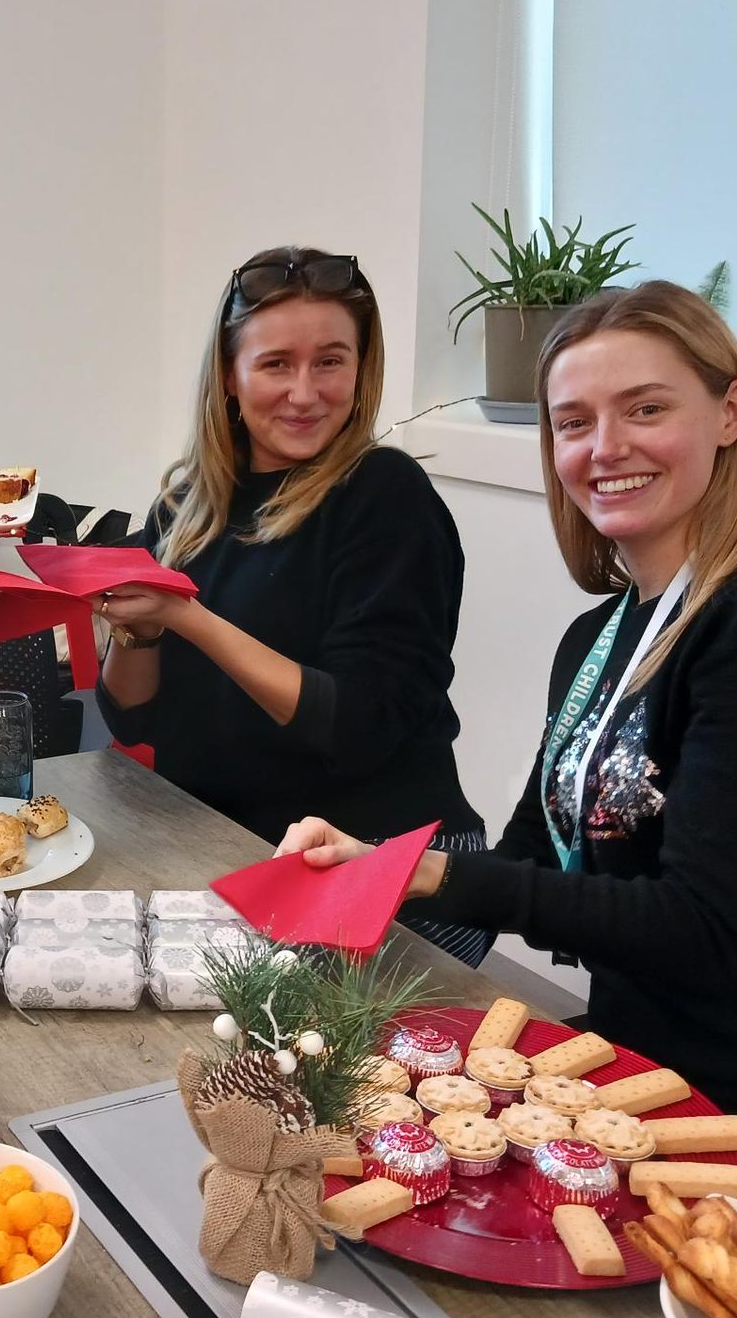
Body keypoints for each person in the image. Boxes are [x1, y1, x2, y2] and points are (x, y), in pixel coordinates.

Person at [277, 281, 737, 1231]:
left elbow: (703, 930)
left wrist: (432, 873)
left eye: (646, 409)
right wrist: (383, 867)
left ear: (731, 411)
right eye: (573, 421)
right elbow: (537, 862)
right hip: (646, 1063)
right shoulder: (601, 636)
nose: (604, 448)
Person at [94, 247, 489, 963]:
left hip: (378, 873)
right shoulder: (187, 504)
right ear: (229, 377)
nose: (305, 392)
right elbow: (132, 714)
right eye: (276, 364)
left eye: (330, 362)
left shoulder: (385, 496)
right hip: (230, 850)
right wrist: (141, 632)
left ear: (360, 371)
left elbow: (356, 727)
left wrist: (188, 617)